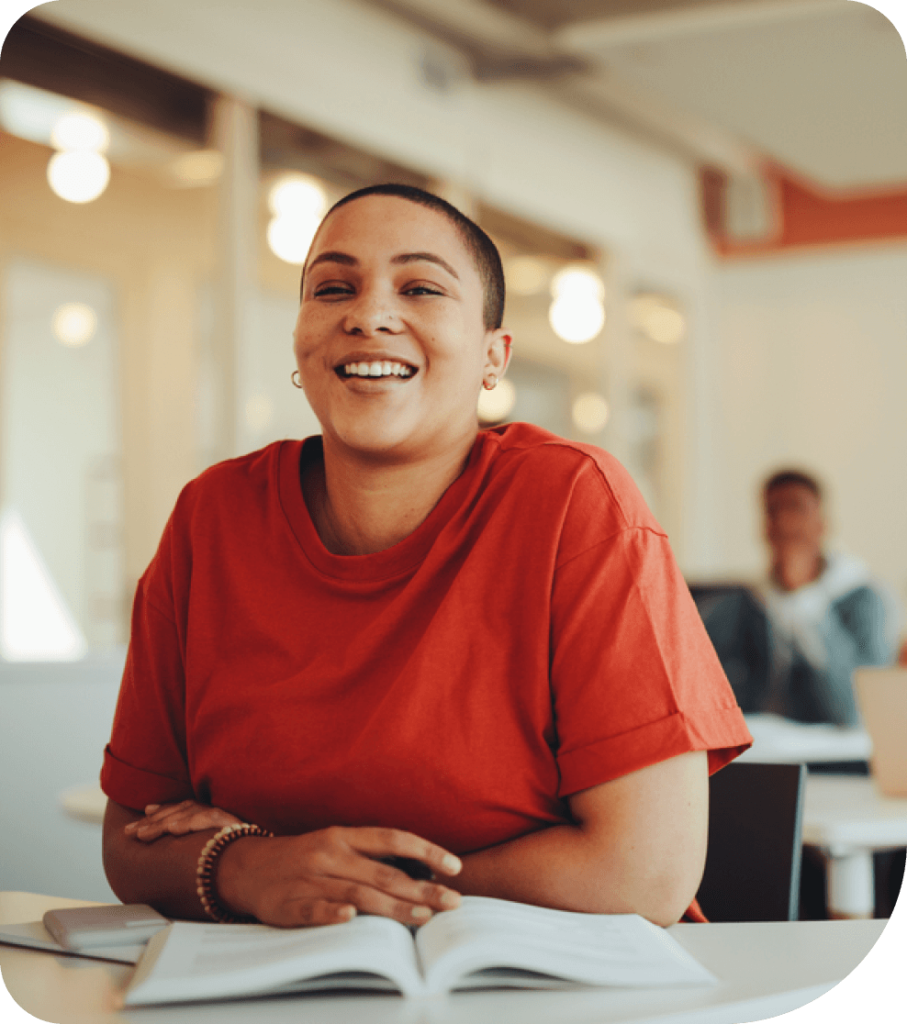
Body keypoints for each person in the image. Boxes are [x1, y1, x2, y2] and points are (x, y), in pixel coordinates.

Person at [100, 183, 751, 932]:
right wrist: (250, 869)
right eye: (332, 288)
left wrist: (340, 888)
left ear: (491, 355)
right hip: (274, 991)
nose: (368, 314)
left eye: (420, 287)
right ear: (300, 341)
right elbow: (132, 842)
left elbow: (645, 873)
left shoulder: (575, 501)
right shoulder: (209, 519)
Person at [756, 469, 899, 726]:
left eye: (796, 508)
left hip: (840, 757)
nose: (784, 521)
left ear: (823, 524)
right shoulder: (750, 602)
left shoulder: (866, 600)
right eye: (772, 510)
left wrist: (804, 601)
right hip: (767, 750)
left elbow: (856, 711)